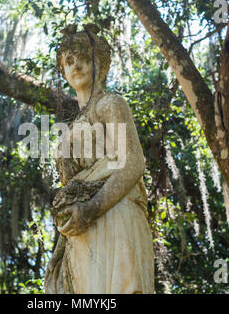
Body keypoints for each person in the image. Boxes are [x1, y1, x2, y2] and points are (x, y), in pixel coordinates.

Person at [45, 24, 154, 294]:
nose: (75, 64)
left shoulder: (110, 104)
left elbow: (133, 162)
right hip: (81, 229)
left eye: (82, 56)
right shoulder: (68, 131)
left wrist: (92, 208)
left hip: (114, 210)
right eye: (68, 61)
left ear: (98, 61)